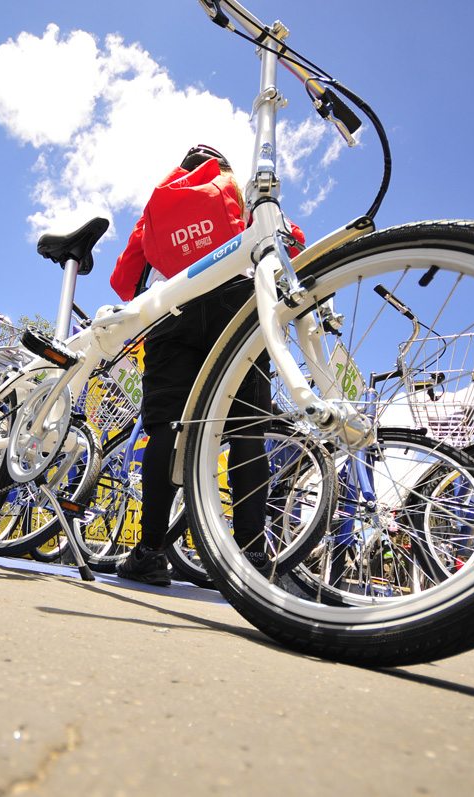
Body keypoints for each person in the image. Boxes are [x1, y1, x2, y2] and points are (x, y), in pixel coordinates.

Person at [111, 145, 304, 586]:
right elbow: (292, 239)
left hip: (173, 308)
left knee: (165, 428)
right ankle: (251, 557)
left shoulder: (160, 204)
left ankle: (151, 552)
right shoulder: (239, 193)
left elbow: (123, 281)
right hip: (237, 308)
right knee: (246, 430)